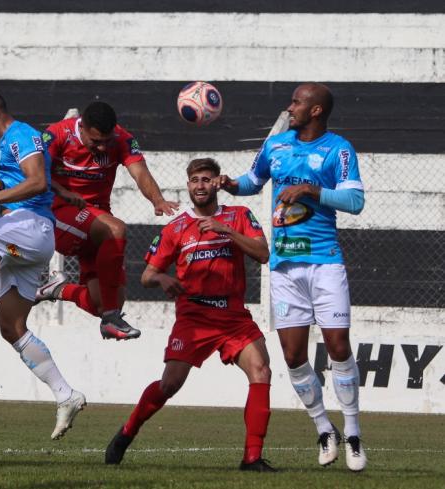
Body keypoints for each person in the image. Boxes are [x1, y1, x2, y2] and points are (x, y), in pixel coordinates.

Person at [217, 82, 367, 471]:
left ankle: (352, 433)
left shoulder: (338, 149)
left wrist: (310, 190)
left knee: (337, 346)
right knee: (294, 355)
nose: (291, 106)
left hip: (324, 262)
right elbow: (253, 181)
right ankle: (323, 428)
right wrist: (231, 185)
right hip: (284, 266)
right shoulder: (277, 144)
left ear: (316, 110)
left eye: (298, 102)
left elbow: (354, 201)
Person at [105, 158, 275, 472]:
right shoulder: (176, 228)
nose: (200, 185)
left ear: (217, 183)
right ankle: (127, 432)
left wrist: (226, 230)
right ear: (188, 185)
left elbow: (263, 254)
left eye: (206, 179)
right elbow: (147, 275)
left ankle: (252, 458)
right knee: (169, 384)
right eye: (195, 180)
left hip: (233, 316)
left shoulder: (239, 216)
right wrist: (162, 278)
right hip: (193, 317)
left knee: (261, 371)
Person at [0, 88, 86, 440]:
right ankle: (66, 395)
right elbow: (21, 189)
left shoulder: (22, 135)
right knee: (11, 328)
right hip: (17, 240)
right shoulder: (6, 145)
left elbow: (37, 181)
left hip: (30, 229)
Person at [35, 101, 178, 340]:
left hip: (95, 219)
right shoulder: (58, 133)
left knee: (103, 303)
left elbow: (139, 171)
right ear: (82, 128)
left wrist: (157, 200)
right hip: (59, 212)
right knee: (116, 229)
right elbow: (34, 173)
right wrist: (63, 192)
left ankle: (60, 290)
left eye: (106, 141)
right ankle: (111, 320)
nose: (102, 148)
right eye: (95, 142)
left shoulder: (122, 139)